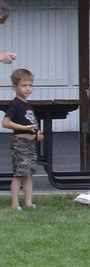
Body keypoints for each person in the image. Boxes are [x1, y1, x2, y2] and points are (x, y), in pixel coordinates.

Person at [2, 68, 44, 211]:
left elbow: (32, 124)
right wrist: (24, 128)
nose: (27, 89)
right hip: (20, 143)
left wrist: (37, 134)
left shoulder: (28, 105)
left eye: (30, 85)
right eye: (24, 85)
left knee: (29, 174)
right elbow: (6, 122)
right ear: (15, 87)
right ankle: (15, 204)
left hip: (30, 143)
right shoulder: (15, 104)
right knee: (19, 174)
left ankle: (28, 202)